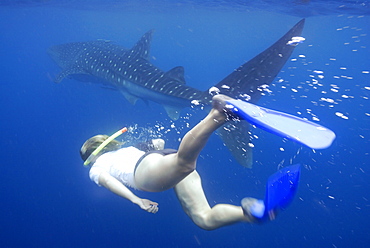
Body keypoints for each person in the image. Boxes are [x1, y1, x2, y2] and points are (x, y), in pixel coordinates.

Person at [80, 95, 284, 230]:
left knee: (184, 164)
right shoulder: (126, 150)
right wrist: (149, 148)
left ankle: (218, 115)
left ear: (91, 157)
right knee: (203, 219)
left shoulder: (97, 166)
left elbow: (108, 182)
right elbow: (159, 142)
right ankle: (253, 214)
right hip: (157, 160)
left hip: (146, 173)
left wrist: (137, 200)